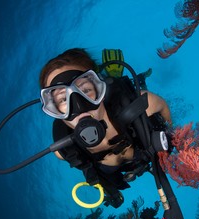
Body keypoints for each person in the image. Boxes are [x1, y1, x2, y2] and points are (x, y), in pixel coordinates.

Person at [39, 48, 172, 208]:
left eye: (86, 90)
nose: (79, 107)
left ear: (98, 87)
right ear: (54, 110)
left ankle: (135, 78)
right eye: (63, 99)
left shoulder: (143, 104)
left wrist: (172, 134)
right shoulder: (64, 151)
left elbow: (164, 109)